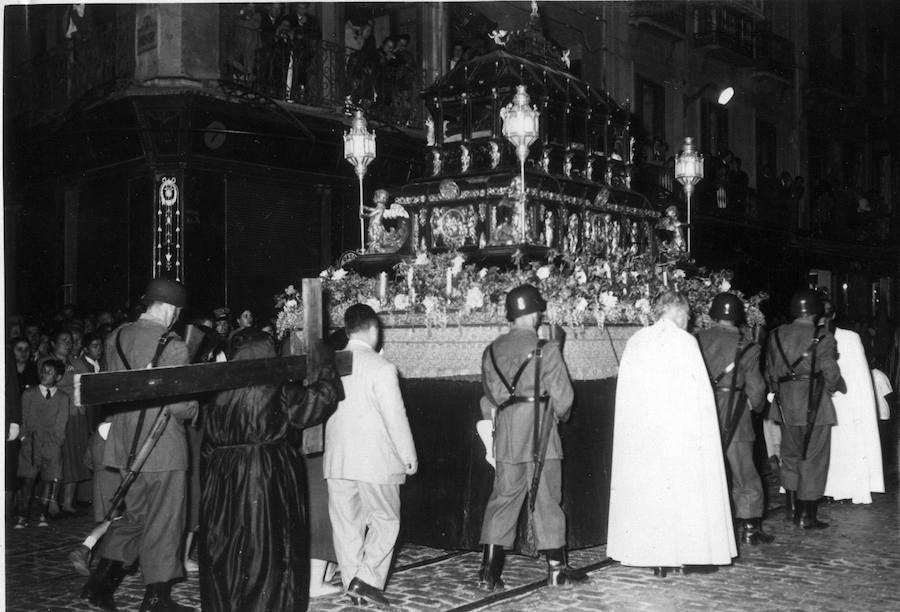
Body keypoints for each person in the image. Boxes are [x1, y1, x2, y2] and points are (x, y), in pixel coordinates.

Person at [200, 329, 342, 612]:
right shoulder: (278, 388)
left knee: (227, 550)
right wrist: (326, 368)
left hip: (224, 477)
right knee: (268, 547)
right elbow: (317, 402)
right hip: (266, 474)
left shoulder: (218, 390)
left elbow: (206, 445)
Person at [81, 278, 198, 612]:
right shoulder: (172, 343)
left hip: (125, 446)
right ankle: (157, 599)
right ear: (172, 309)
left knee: (133, 517)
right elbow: (180, 406)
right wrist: (197, 403)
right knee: (164, 519)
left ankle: (99, 585)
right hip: (161, 448)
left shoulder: (115, 336)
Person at [607, 291, 736, 576]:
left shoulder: (636, 340)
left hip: (644, 434)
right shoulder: (685, 342)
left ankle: (656, 557)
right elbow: (699, 396)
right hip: (680, 432)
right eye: (687, 317)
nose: (688, 322)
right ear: (679, 314)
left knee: (651, 492)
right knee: (685, 492)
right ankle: (691, 554)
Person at [476, 284, 587, 590]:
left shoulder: (490, 351)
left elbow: (490, 397)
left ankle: (489, 572)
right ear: (536, 313)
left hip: (508, 434)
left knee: (503, 497)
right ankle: (555, 569)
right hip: (541, 433)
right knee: (547, 497)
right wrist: (559, 416)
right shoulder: (546, 348)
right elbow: (564, 399)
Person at [324, 304, 418, 608]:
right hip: (375, 461)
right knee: (386, 520)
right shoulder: (382, 367)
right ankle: (365, 582)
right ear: (374, 329)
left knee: (347, 525)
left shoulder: (332, 364)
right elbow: (395, 417)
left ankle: (354, 584)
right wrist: (408, 454)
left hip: (337, 459)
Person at [696, 293, 773, 545]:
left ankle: (708, 525)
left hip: (702, 412)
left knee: (704, 468)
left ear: (712, 314)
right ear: (739, 317)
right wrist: (755, 406)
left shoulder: (696, 340)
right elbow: (757, 388)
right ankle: (750, 527)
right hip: (736, 413)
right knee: (744, 471)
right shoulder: (748, 346)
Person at [765, 289, 843, 529]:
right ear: (815, 312)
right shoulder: (823, 336)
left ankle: (790, 507)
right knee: (813, 459)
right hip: (815, 405)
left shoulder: (776, 334)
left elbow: (770, 372)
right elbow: (831, 373)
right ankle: (806, 516)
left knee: (789, 455)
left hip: (785, 405)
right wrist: (828, 389)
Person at [822, 303, 884, 503]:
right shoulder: (810, 336)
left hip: (846, 402)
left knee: (845, 447)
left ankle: (845, 488)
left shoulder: (850, 338)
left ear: (834, 314)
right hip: (821, 401)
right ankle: (824, 489)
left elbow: (861, 378)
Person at [15, 359, 71, 529]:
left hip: (52, 444)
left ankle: (42, 514)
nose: (44, 374)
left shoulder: (63, 398)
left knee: (49, 480)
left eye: (50, 372)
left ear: (58, 377)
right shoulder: (29, 394)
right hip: (31, 443)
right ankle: (22, 516)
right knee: (28, 480)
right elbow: (23, 419)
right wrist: (24, 438)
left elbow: (62, 424)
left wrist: (57, 442)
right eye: (43, 371)